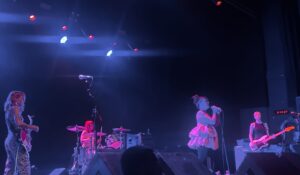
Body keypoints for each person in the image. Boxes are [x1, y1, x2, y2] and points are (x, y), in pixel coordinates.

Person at [3, 91, 39, 175]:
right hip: (16, 142)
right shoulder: (15, 108)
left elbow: (17, 126)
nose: (23, 101)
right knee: (24, 168)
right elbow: (19, 123)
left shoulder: (9, 109)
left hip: (9, 141)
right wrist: (33, 127)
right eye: (22, 98)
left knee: (10, 169)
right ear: (16, 99)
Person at [187, 95, 222, 174]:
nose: (208, 102)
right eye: (206, 101)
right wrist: (214, 111)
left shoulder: (205, 113)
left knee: (207, 158)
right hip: (202, 137)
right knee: (201, 159)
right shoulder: (199, 113)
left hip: (207, 137)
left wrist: (217, 113)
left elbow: (216, 123)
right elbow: (212, 122)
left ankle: (209, 172)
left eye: (208, 101)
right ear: (200, 104)